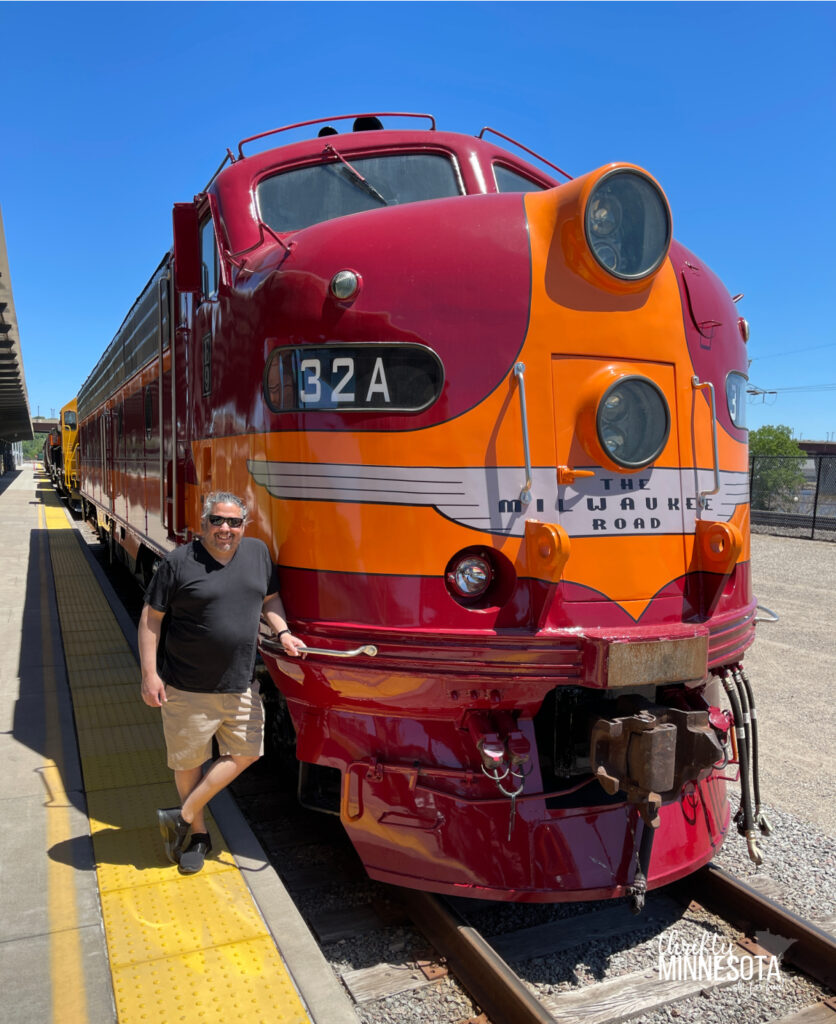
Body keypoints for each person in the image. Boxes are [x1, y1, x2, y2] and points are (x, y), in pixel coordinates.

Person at [138, 491, 305, 874]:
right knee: (189, 762)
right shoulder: (178, 563)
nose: (225, 529)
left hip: (240, 682)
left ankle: (181, 813)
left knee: (247, 753)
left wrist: (283, 634)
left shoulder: (258, 554)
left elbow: (271, 600)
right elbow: (151, 619)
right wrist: (150, 675)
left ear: (244, 525)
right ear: (203, 523)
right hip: (186, 686)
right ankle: (197, 833)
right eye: (217, 520)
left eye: (233, 522)